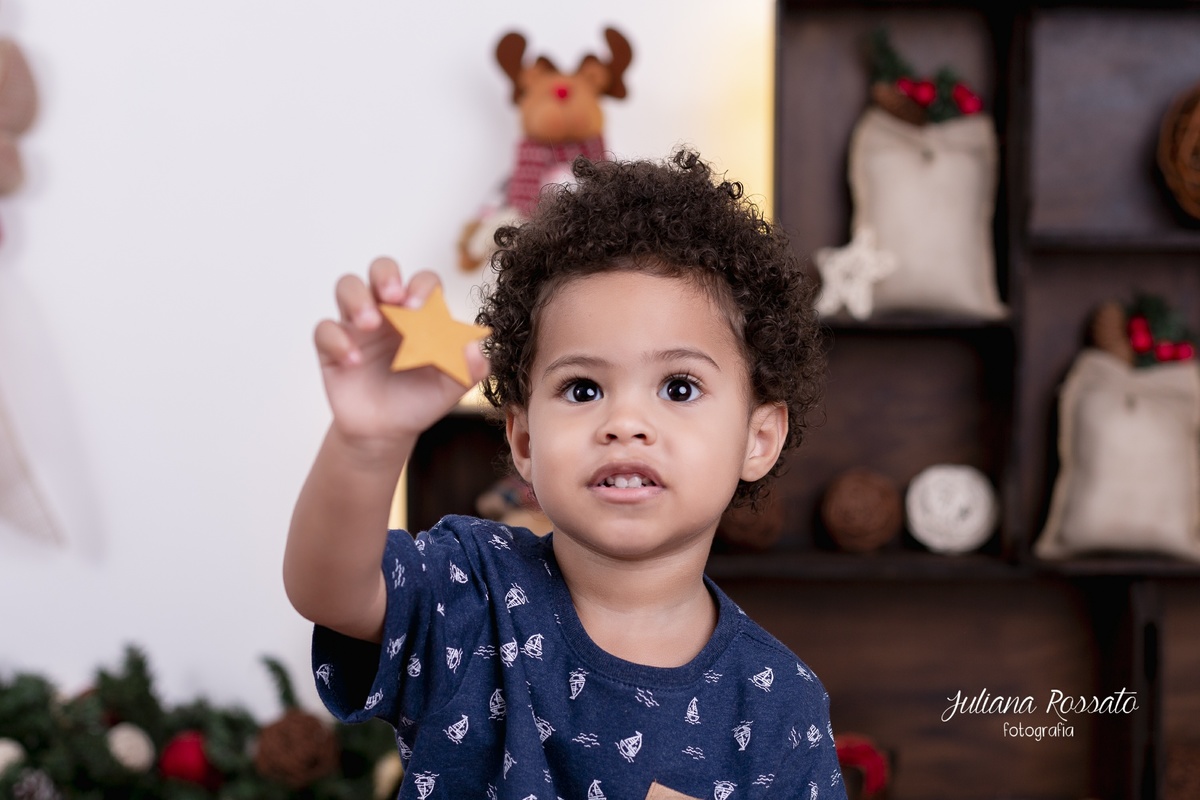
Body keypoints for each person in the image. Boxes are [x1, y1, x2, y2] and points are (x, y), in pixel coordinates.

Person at [285, 149, 845, 799]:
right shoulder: (472, 589)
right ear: (523, 438)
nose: (625, 422)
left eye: (680, 387)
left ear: (759, 437)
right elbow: (331, 593)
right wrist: (367, 444)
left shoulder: (781, 704)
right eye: (583, 389)